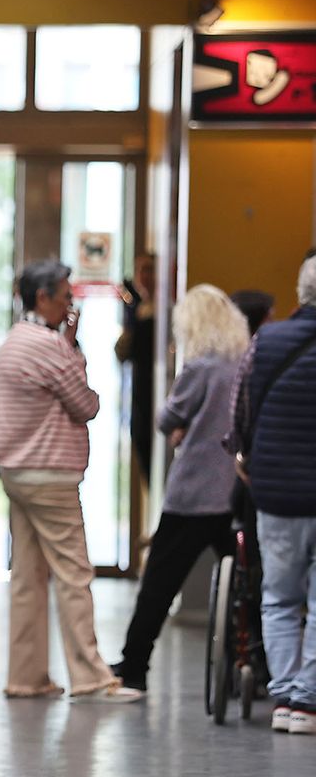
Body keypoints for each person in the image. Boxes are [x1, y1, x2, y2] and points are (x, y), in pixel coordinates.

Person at [0, 260, 141, 703]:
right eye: (64, 296)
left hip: (18, 473)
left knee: (28, 577)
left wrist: (67, 342)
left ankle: (26, 676)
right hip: (50, 475)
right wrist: (73, 349)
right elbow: (87, 403)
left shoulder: (15, 341)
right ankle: (92, 677)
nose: (69, 303)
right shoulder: (48, 346)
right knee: (74, 575)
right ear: (43, 298)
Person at [111, 285, 248, 691]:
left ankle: (134, 666)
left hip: (192, 495)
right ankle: (257, 666)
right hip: (234, 491)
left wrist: (181, 425)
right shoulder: (243, 364)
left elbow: (167, 417)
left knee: (158, 584)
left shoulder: (200, 368)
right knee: (248, 579)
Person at [234, 255, 316, 734]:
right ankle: (307, 701)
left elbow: (239, 413)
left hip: (277, 494)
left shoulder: (266, 342)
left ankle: (284, 697)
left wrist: (246, 461)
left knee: (279, 596)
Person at [117, 250, 158, 485]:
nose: (144, 277)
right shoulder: (135, 309)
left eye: (149, 270)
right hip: (139, 392)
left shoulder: (164, 310)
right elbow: (123, 353)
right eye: (140, 271)